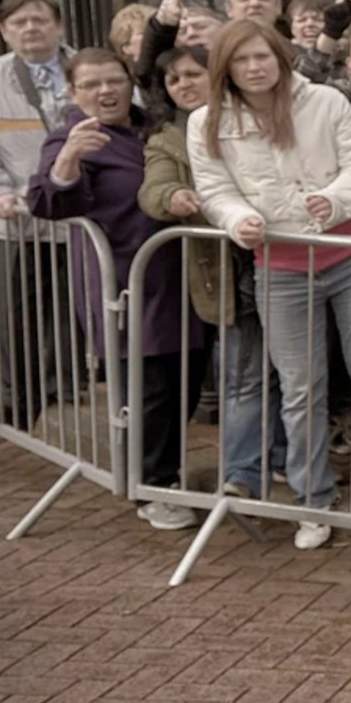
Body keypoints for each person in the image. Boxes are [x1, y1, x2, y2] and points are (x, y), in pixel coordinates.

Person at [187, 19, 351, 550]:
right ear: (226, 68)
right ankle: (314, 498)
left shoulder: (326, 102)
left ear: (280, 56)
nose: (254, 67)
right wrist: (237, 217)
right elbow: (214, 187)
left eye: (262, 56)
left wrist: (333, 199)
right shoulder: (206, 122)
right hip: (280, 264)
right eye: (241, 60)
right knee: (300, 386)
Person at [27, 49, 205, 530]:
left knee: (184, 379)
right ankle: (151, 484)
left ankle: (160, 473)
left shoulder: (157, 125)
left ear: (130, 82)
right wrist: (66, 162)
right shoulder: (73, 137)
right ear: (72, 92)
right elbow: (44, 200)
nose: (105, 91)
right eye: (90, 85)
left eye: (114, 80)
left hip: (178, 276)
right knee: (147, 388)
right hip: (124, 283)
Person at [138, 44, 287, 498]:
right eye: (173, 79)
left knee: (290, 370)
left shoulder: (256, 119)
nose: (184, 84)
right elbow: (155, 185)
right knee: (246, 371)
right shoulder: (168, 138)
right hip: (229, 272)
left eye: (193, 74)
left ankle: (279, 456)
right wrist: (172, 198)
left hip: (285, 258)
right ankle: (241, 473)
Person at [0, 0, 80, 429]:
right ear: (3, 32)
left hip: (83, 218)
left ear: (58, 25)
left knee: (76, 311)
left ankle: (63, 392)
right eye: (19, 23)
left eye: (39, 20)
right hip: (19, 217)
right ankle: (19, 401)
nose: (30, 29)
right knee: (17, 313)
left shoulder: (91, 69)